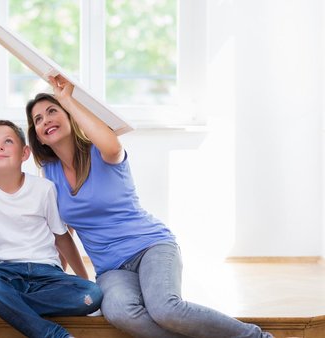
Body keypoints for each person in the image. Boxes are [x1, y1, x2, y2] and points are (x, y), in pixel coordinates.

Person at [25, 75, 273, 338]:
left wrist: (67, 100)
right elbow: (63, 233)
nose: (46, 120)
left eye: (52, 111)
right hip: (111, 269)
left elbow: (113, 144)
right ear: (38, 137)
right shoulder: (49, 174)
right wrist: (70, 278)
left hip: (150, 246)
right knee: (120, 312)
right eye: (38, 119)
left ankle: (256, 337)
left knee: (165, 309)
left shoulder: (101, 151)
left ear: (70, 117)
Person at [0, 119, 103, 338]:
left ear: (24, 153)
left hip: (45, 272)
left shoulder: (44, 188)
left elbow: (62, 237)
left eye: (8, 141)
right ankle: (53, 334)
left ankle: (2, 305)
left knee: (92, 295)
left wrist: (83, 278)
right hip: (2, 272)